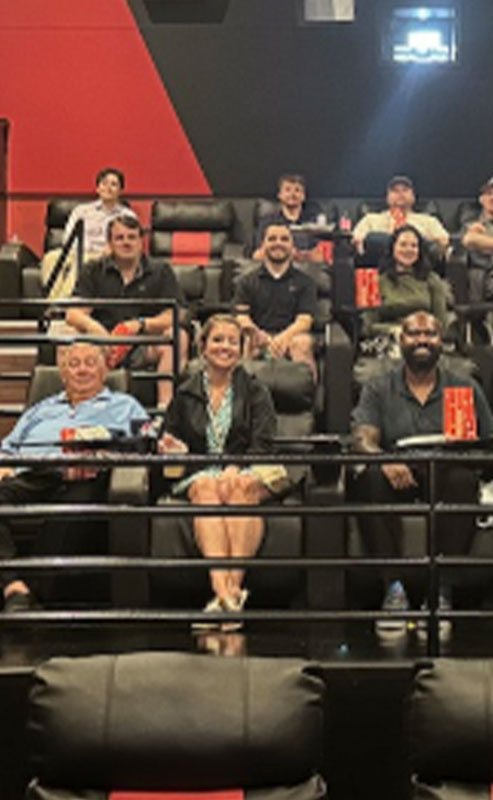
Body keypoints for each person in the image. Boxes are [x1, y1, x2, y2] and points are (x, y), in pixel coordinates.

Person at [0, 342, 150, 610]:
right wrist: (4, 466)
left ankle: (21, 592)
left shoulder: (125, 405)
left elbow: (147, 443)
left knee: (70, 507)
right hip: (32, 473)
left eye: (90, 363)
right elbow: (9, 446)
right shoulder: (40, 409)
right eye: (74, 364)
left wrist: (102, 451)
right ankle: (15, 588)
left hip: (86, 475)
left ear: (104, 371)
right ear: (63, 374)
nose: (82, 370)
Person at [351, 310, 493, 641]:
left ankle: (440, 592)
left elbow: (490, 446)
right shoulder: (378, 387)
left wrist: (468, 452)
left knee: (463, 479)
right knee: (370, 479)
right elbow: (363, 438)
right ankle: (394, 591)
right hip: (397, 473)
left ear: (441, 342)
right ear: (400, 341)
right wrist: (382, 460)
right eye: (414, 333)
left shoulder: (464, 386)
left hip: (446, 473)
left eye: (429, 334)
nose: (422, 340)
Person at [158, 314, 285, 629]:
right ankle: (226, 594)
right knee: (206, 489)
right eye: (217, 340)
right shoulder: (185, 394)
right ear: (203, 347)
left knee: (239, 487)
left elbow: (264, 444)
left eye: (232, 341)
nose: (225, 347)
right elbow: (170, 440)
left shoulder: (257, 392)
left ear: (241, 350)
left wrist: (235, 466)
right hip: (201, 471)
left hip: (250, 468)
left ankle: (228, 593)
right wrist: (172, 448)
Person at [65, 215, 186, 408]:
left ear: (141, 241)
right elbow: (73, 313)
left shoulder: (161, 271)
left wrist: (140, 325)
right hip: (102, 343)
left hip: (144, 343)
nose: (126, 243)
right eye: (119, 238)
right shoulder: (93, 269)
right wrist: (96, 329)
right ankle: (72, 406)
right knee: (66, 336)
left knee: (178, 336)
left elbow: (176, 314)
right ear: (110, 243)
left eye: (131, 237)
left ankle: (166, 408)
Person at [233, 222, 319, 381]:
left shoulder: (306, 282)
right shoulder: (246, 281)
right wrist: (259, 336)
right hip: (259, 336)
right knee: (247, 340)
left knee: (302, 343)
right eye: (272, 239)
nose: (278, 243)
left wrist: (281, 340)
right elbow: (241, 317)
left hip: (292, 336)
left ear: (292, 247)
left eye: (284, 239)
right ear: (262, 245)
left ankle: (307, 397)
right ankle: (243, 397)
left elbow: (304, 321)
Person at [41, 166, 138, 299]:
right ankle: (51, 303)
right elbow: (68, 237)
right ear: (98, 188)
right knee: (50, 258)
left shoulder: (127, 215)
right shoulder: (81, 211)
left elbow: (132, 241)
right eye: (104, 183)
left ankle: (64, 304)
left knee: (83, 261)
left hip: (104, 254)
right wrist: (79, 250)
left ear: (120, 191)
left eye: (114, 184)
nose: (108, 188)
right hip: (76, 250)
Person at [361, 224, 453, 336]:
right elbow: (368, 326)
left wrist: (419, 332)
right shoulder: (375, 281)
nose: (408, 250)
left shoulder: (432, 279)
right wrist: (396, 330)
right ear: (393, 248)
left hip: (425, 338)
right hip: (389, 338)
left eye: (414, 246)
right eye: (403, 245)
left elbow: (441, 324)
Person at [352, 174, 450, 255]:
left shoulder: (429, 221)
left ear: (413, 196)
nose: (400, 193)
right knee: (374, 239)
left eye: (405, 190)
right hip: (381, 266)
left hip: (419, 267)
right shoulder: (371, 219)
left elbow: (444, 240)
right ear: (387, 197)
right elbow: (357, 239)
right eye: (395, 190)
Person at [251, 173, 328, 263]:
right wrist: (287, 253)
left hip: (308, 269)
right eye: (287, 190)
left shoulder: (314, 223)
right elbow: (257, 256)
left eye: (297, 190)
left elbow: (321, 257)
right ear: (280, 195)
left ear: (303, 196)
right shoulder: (267, 223)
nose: (292, 194)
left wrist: (301, 256)